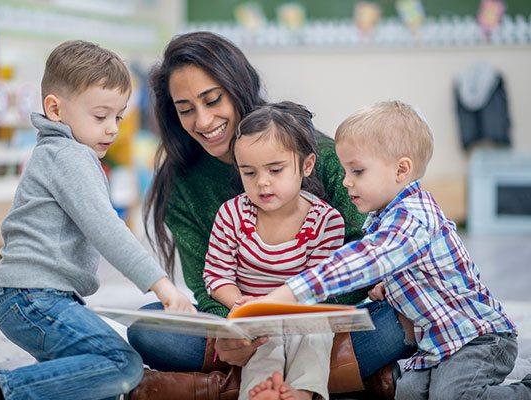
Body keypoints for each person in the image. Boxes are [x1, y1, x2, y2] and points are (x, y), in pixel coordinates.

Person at [127, 31, 414, 400]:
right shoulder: (182, 183)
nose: (203, 120)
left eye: (213, 100)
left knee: (403, 319)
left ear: (238, 86)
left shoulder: (314, 152)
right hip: (241, 322)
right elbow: (208, 282)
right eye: (185, 109)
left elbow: (364, 253)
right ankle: (350, 377)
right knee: (149, 327)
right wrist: (232, 334)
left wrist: (294, 313)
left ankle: (222, 387)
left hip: (323, 318)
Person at [0, 40, 194, 400]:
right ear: (55, 109)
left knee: (90, 378)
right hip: (34, 298)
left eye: (118, 117)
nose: (113, 129)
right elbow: (106, 228)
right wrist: (160, 283)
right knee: (121, 364)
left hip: (33, 297)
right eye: (101, 116)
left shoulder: (56, 151)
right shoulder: (71, 157)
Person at [253, 100, 531, 400]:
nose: (346, 181)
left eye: (357, 171)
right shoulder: (385, 217)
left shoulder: (413, 217)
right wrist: (388, 285)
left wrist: (293, 291)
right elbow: (405, 265)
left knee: (453, 396)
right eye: (346, 171)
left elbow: (369, 257)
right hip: (438, 344)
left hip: (478, 339)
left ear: (401, 169)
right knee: (406, 392)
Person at [203, 102, 346, 400]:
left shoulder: (326, 220)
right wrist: (241, 304)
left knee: (317, 329)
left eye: (275, 170)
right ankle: (263, 392)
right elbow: (216, 276)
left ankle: (304, 391)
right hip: (253, 317)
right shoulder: (232, 214)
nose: (262, 182)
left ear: (306, 166)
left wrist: (280, 308)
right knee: (265, 342)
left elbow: (316, 286)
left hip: (300, 315)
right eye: (249, 173)